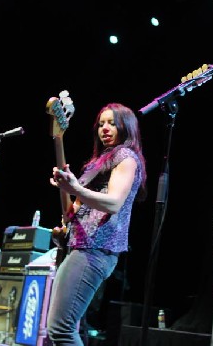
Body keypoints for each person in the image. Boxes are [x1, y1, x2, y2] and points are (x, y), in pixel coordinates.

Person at [47, 102, 147, 345]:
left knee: (61, 328)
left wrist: (76, 188)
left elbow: (113, 203)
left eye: (112, 123)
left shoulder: (126, 157)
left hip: (95, 250)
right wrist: (64, 230)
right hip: (81, 247)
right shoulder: (96, 164)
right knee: (65, 327)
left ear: (126, 126)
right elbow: (72, 212)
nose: (105, 128)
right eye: (101, 124)